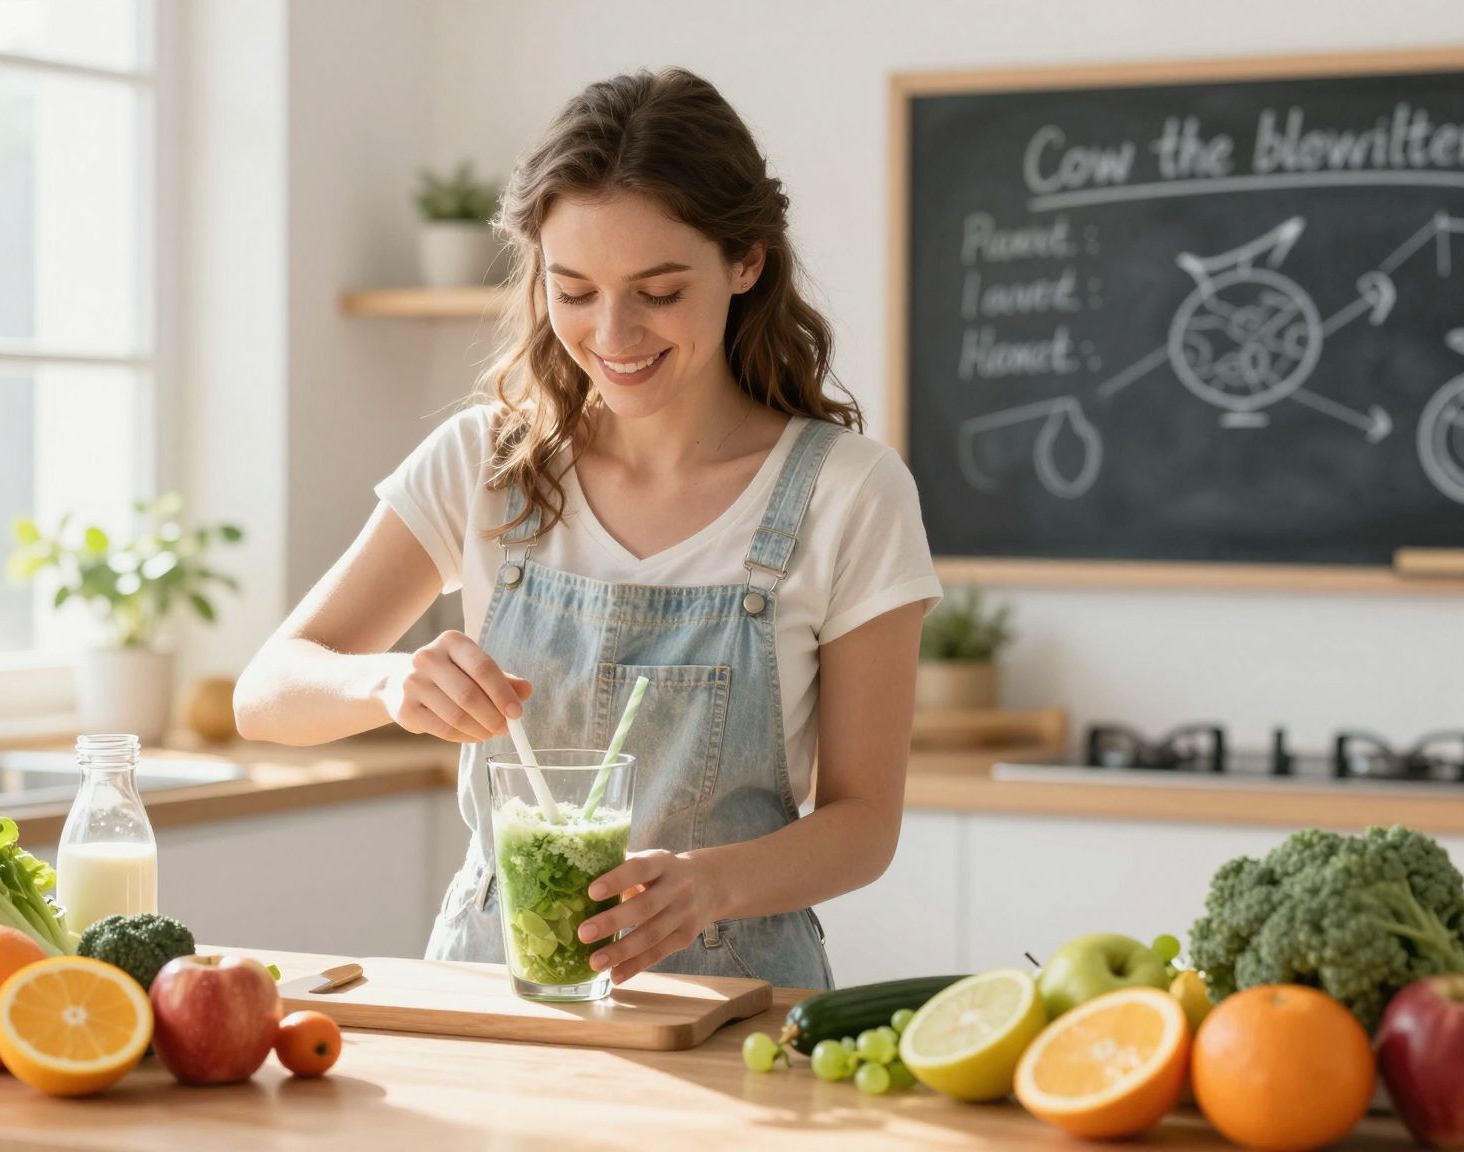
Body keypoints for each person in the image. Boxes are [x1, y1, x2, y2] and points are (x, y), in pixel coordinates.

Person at [234, 67, 940, 990]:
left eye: (658, 291)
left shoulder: (849, 495)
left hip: (736, 1008)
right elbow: (266, 693)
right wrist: (390, 682)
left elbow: (864, 824)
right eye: (573, 290)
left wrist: (709, 886)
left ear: (746, 262)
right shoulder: (484, 464)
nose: (613, 334)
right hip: (494, 995)